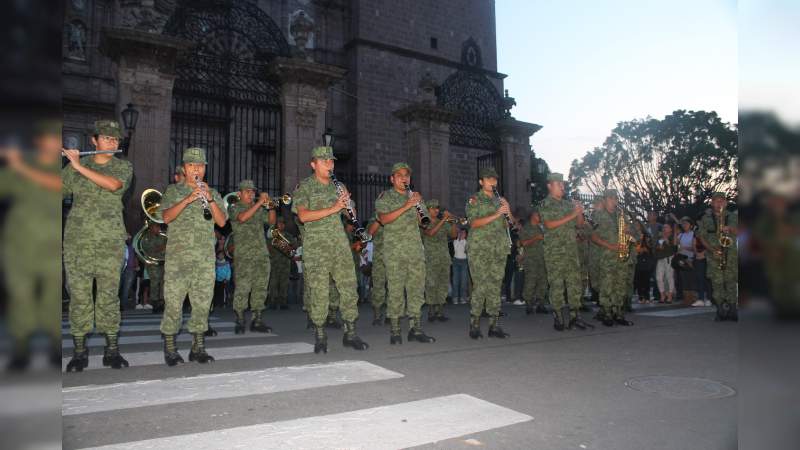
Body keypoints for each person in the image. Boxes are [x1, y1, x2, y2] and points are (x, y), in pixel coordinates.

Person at [63, 120, 133, 371]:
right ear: (94, 141)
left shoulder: (123, 167)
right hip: (77, 242)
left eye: (115, 139)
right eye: (106, 138)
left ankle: (111, 350)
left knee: (108, 297)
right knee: (79, 297)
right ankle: (79, 352)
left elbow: (114, 186)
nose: (112, 142)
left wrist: (78, 166)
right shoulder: (75, 166)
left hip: (110, 242)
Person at [291, 146, 368, 353]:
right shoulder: (304, 187)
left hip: (339, 245)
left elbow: (351, 215)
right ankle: (320, 335)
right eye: (324, 161)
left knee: (349, 288)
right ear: (313, 164)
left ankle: (350, 333)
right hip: (316, 247)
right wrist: (334, 207)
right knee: (319, 291)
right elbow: (303, 216)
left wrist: (348, 205)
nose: (329, 165)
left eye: (331, 161)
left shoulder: (338, 186)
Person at [1, 120, 63, 370]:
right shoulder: (22, 166)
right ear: (39, 141)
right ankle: (21, 348)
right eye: (51, 137)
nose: (55, 142)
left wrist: (18, 166)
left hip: (50, 245)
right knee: (20, 298)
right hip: (19, 244)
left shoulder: (64, 168)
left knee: (51, 300)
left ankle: (56, 347)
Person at [158, 147, 227, 366]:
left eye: (200, 166)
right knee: (174, 304)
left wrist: (210, 199)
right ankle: (170, 348)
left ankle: (198, 348)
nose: (196, 169)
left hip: (205, 260)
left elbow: (222, 222)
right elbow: (166, 217)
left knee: (202, 304)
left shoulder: (212, 192)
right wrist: (188, 199)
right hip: (178, 259)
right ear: (184, 168)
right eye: (191, 165)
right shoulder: (173, 190)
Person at [375, 162, 436, 344]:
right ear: (392, 179)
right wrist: (407, 205)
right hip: (395, 252)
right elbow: (384, 219)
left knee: (416, 290)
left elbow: (425, 223)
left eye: (407, 175)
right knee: (395, 290)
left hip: (415, 252)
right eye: (400, 175)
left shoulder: (415, 197)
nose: (404, 178)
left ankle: (415, 329)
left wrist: (418, 206)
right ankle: (395, 331)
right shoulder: (386, 197)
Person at [538, 173, 592, 331]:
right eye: (558, 184)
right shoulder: (545, 204)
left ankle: (575, 317)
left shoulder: (568, 205)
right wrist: (572, 215)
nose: (562, 186)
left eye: (563, 184)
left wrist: (579, 210)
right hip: (554, 252)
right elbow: (549, 224)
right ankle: (559, 317)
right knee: (557, 284)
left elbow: (580, 224)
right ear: (550, 186)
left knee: (574, 284)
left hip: (571, 251)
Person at [464, 167, 513, 339]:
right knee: (480, 286)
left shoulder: (500, 200)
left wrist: (508, 211)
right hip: (480, 249)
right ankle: (474, 325)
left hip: (498, 249)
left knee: (495, 286)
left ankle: (494, 325)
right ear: (481, 182)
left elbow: (509, 225)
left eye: (495, 179)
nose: (493, 182)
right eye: (488, 179)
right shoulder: (475, 200)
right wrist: (496, 214)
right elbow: (473, 223)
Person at [228, 179, 276, 332]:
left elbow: (271, 222)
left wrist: (271, 206)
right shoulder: (234, 208)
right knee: (243, 288)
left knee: (261, 288)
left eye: (252, 191)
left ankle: (257, 320)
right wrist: (259, 203)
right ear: (239, 193)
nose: (251, 194)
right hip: (244, 256)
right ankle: (240, 319)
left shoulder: (259, 209)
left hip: (261, 255)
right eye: (247, 191)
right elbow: (242, 218)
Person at [591, 189, 640, 326]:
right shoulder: (598, 215)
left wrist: (628, 231)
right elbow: (593, 236)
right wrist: (610, 246)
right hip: (607, 256)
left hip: (623, 256)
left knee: (620, 286)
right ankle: (606, 314)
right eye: (611, 198)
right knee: (607, 286)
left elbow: (635, 234)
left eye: (616, 198)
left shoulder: (621, 216)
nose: (614, 201)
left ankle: (618, 313)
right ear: (604, 200)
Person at [696, 192, 739, 321]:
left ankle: (732, 309)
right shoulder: (705, 218)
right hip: (714, 255)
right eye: (716, 201)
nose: (719, 203)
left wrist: (730, 229)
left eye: (721, 201)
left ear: (725, 203)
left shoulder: (733, 217)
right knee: (717, 283)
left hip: (730, 254)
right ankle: (720, 310)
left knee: (731, 281)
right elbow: (701, 237)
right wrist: (711, 250)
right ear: (712, 203)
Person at [422, 199, 457, 322]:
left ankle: (440, 312)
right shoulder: (424, 222)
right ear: (427, 209)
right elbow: (430, 233)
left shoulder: (443, 222)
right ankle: (431, 312)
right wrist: (443, 220)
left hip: (444, 258)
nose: (436, 210)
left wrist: (452, 222)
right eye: (433, 208)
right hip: (431, 259)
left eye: (437, 208)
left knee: (443, 284)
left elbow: (453, 235)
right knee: (431, 285)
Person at [518, 210, 548, 315]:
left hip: (542, 259)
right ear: (533, 216)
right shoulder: (526, 228)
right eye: (538, 215)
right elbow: (524, 243)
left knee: (543, 282)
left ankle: (541, 304)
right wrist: (536, 238)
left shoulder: (541, 228)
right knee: (530, 282)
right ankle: (529, 304)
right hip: (530, 260)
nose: (540, 216)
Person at [140, 222, 166, 312]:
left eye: (159, 227)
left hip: (164, 263)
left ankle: (162, 302)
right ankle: (155, 303)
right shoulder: (146, 238)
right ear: (151, 228)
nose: (158, 229)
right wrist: (161, 248)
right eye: (156, 227)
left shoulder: (163, 237)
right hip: (153, 264)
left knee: (164, 283)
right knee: (155, 283)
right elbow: (148, 250)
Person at [267, 217, 293, 311]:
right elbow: (267, 247)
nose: (281, 225)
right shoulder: (272, 235)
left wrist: (288, 247)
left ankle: (283, 302)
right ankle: (272, 301)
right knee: (273, 283)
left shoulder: (288, 236)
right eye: (279, 223)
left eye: (283, 223)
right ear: (276, 225)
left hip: (285, 263)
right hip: (274, 263)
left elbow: (293, 246)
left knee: (284, 283)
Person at [367, 215, 387, 325]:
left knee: (395, 287)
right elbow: (368, 235)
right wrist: (379, 220)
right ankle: (377, 315)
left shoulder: (399, 216)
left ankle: (392, 314)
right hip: (379, 259)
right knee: (378, 287)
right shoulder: (373, 220)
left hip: (396, 258)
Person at [676, 216, 698, 306]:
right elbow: (676, 246)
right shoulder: (680, 235)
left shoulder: (694, 234)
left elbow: (695, 248)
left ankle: (693, 298)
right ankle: (686, 299)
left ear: (691, 225)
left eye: (686, 223)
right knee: (684, 279)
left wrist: (685, 248)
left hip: (691, 259)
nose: (684, 225)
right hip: (682, 260)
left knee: (691, 279)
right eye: (683, 224)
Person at [653, 223, 677, 303]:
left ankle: (669, 295)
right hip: (660, 259)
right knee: (658, 277)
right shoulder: (660, 237)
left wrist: (667, 242)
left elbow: (675, 248)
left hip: (669, 258)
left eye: (666, 227)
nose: (664, 229)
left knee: (669, 277)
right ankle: (662, 294)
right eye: (663, 227)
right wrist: (658, 247)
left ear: (670, 229)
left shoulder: (673, 237)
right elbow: (655, 249)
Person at [451, 228, 470, 305]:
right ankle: (455, 298)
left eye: (463, 233)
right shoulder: (455, 241)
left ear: (466, 235)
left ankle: (463, 298)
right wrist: (458, 239)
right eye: (461, 232)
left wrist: (462, 240)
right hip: (456, 261)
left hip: (464, 261)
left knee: (464, 281)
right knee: (455, 281)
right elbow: (455, 249)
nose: (462, 234)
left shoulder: (467, 242)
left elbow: (466, 251)